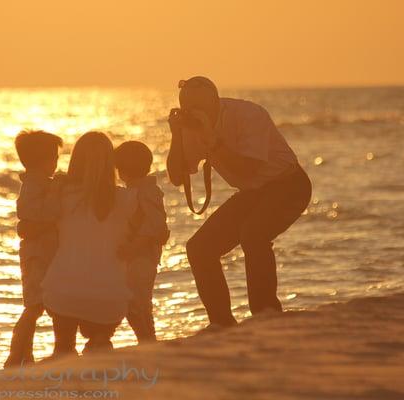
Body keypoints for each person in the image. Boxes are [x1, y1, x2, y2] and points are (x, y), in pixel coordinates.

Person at [166, 76, 312, 328]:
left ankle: (266, 315)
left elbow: (248, 169)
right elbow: (177, 177)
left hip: (288, 184)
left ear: (216, 102)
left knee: (253, 235)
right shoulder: (191, 128)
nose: (196, 113)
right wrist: (176, 136)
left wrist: (213, 141)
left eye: (200, 107)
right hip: (253, 193)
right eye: (190, 108)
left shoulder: (248, 114)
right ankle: (221, 323)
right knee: (199, 248)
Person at [41, 131, 137, 356]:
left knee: (63, 349)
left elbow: (41, 221)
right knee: (100, 337)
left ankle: (63, 350)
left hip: (63, 295)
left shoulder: (62, 196)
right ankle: (100, 340)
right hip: (109, 300)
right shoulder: (126, 199)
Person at [5, 130, 63, 367]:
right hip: (37, 254)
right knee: (35, 306)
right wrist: (57, 189)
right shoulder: (33, 186)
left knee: (45, 304)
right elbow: (45, 214)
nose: (56, 164)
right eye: (55, 159)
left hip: (44, 252)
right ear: (44, 161)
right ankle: (16, 355)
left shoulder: (38, 183)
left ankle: (26, 355)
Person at [114, 141, 169, 344]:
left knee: (136, 303)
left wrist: (133, 247)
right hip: (137, 256)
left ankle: (147, 340)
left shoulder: (146, 192)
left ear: (122, 170)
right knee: (137, 302)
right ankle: (147, 340)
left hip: (143, 256)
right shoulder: (133, 191)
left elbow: (155, 227)